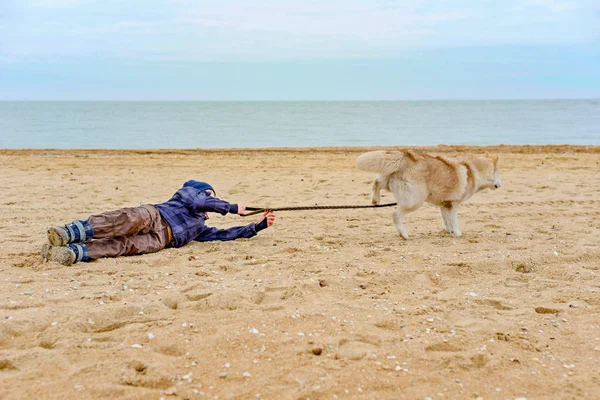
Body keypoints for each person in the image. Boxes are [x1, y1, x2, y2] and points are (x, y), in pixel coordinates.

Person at [41, 180, 275, 266]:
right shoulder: (187, 195)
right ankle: (71, 232)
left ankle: (73, 253)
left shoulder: (199, 227)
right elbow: (199, 200)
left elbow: (223, 234)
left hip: (162, 240)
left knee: (123, 246)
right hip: (155, 215)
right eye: (210, 195)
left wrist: (256, 226)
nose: (213, 200)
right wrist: (232, 208)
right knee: (123, 221)